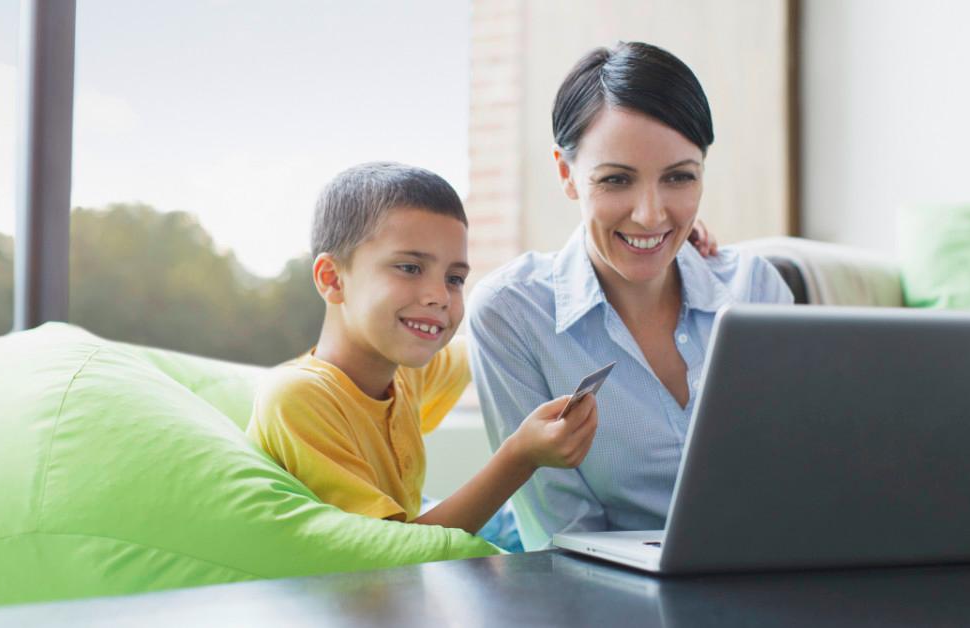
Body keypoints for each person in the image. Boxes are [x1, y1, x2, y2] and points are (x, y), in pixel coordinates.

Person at [467, 42, 793, 550]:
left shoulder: (755, 289)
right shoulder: (514, 314)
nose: (650, 215)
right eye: (616, 180)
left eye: (679, 177)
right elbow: (562, 540)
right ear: (566, 174)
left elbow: (796, 482)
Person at [247, 162, 598, 549]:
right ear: (332, 279)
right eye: (410, 268)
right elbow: (395, 551)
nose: (440, 296)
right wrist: (521, 457)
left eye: (455, 278)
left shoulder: (404, 371)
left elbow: (490, 343)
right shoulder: (300, 398)